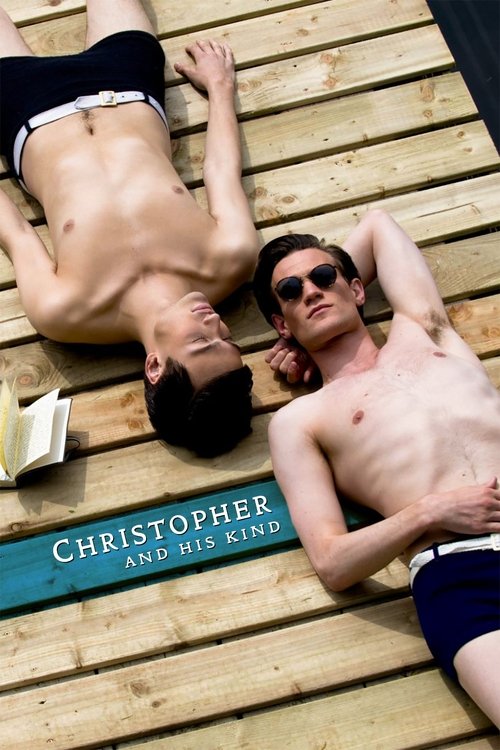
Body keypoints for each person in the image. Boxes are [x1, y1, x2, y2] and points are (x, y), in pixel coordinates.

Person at [253, 208, 500, 726]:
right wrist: (430, 511)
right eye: (291, 292)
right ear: (280, 323)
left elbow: (378, 224)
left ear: (357, 289)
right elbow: (332, 562)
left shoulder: (424, 329)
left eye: (324, 277)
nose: (311, 292)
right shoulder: (301, 420)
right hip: (462, 576)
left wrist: (303, 326)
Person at [0, 1, 259, 457]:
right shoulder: (232, 256)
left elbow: (15, 233)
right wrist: (220, 88)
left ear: (155, 367)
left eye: (202, 341)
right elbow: (221, 170)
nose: (215, 323)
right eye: (227, 337)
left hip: (25, 107)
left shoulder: (66, 311)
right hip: (128, 83)